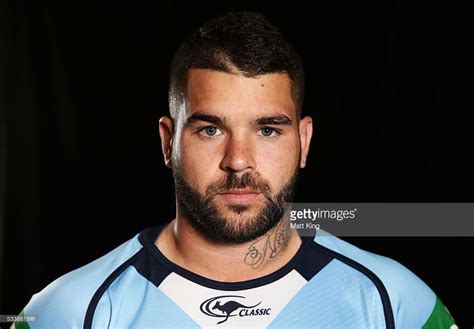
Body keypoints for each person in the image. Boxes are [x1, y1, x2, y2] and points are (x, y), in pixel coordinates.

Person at [13, 11, 456, 329]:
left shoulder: (398, 304)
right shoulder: (71, 311)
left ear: (303, 142)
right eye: (210, 130)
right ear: (169, 142)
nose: (238, 160)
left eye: (267, 130)